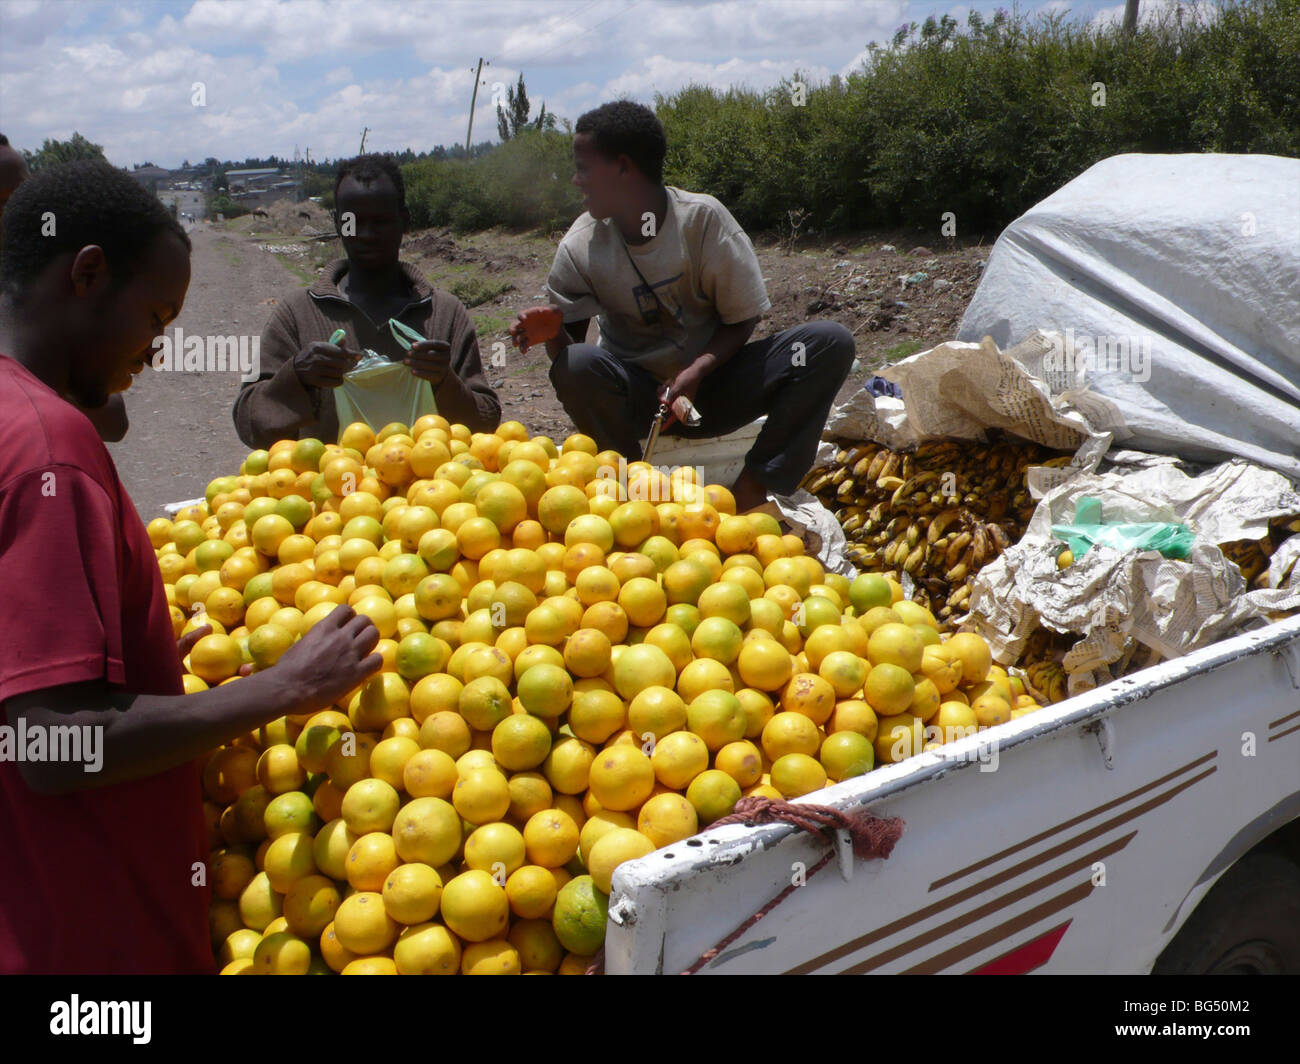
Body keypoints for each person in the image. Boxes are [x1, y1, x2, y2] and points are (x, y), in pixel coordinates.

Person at [0, 161, 382, 974]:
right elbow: (48, 740)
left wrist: (133, 656)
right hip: (89, 939)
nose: (158, 346)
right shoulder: (47, 446)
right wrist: (282, 688)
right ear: (88, 273)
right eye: (154, 314)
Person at [510, 101, 854, 513]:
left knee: (828, 343)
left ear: (622, 167)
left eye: (583, 168)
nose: (575, 179)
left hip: (716, 389)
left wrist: (696, 371)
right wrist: (553, 333)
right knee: (577, 363)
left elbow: (742, 318)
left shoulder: (702, 221)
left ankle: (753, 487)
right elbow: (571, 361)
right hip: (640, 401)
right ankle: (631, 486)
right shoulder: (581, 245)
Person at [234, 154, 501, 447]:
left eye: (382, 221)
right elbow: (250, 424)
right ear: (337, 224)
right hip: (331, 489)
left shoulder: (443, 315)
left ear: (405, 222)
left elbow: (486, 425)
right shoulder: (299, 314)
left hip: (431, 488)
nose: (367, 234)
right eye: (352, 222)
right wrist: (297, 376)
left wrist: (443, 381)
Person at [0, 134, 128, 442]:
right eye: (2, 203)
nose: (18, 217)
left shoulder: (30, 289)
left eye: (23, 200)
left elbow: (113, 419)